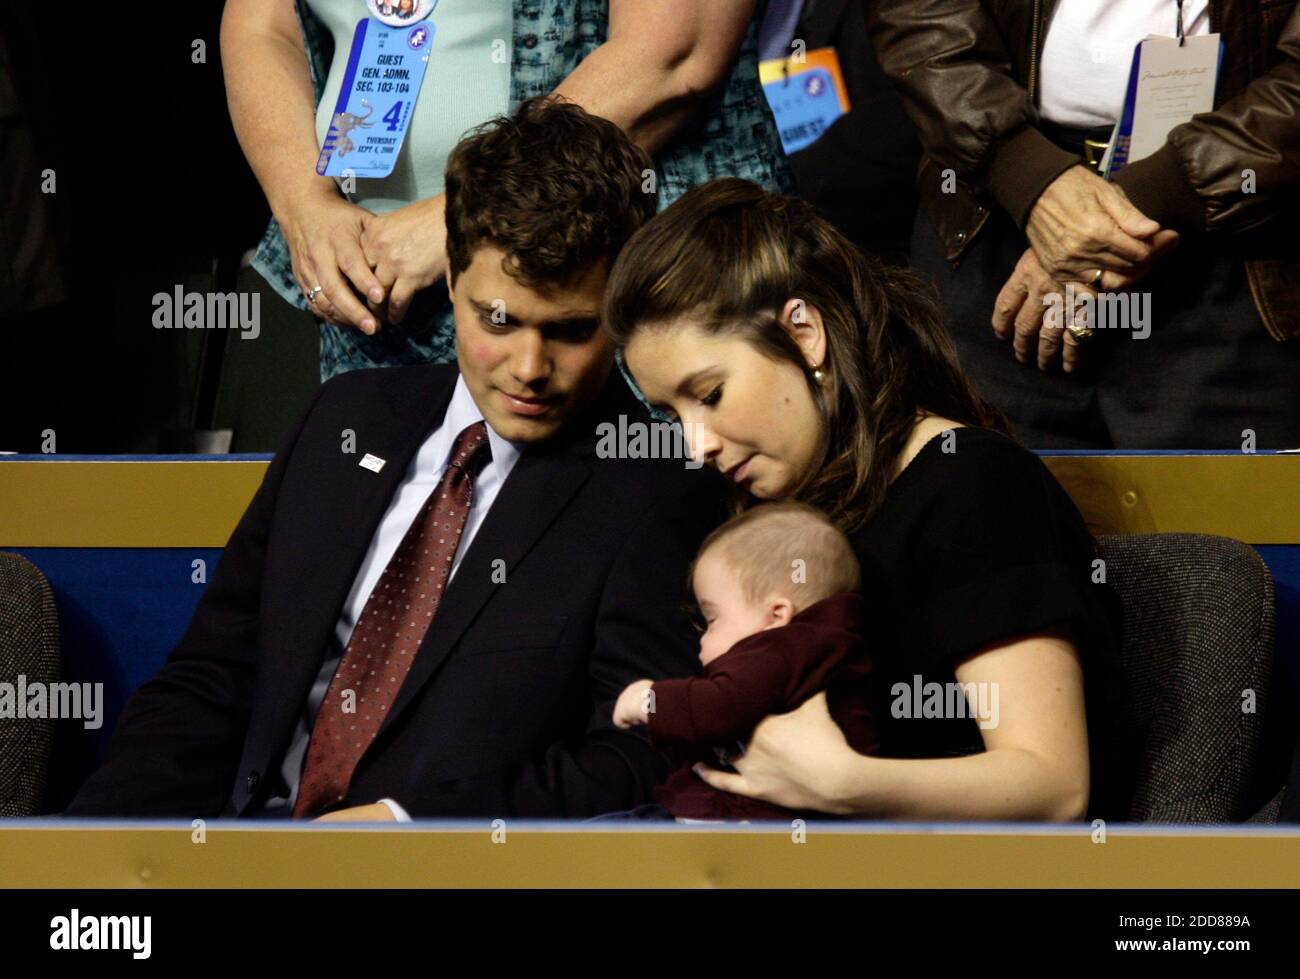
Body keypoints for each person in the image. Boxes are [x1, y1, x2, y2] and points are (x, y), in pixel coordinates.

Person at [65, 99, 727, 822]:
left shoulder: (655, 489)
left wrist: (410, 821)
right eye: (498, 320)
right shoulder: (344, 418)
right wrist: (92, 848)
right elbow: (212, 678)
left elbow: (638, 758)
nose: (531, 367)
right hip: (243, 850)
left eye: (571, 330)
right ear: (451, 279)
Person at [604, 178, 1134, 822]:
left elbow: (1054, 788)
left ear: (803, 334)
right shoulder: (776, 511)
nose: (697, 445)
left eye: (709, 394)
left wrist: (842, 781)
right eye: (670, 413)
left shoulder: (974, 485)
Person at [222, 0, 792, 382]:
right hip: (370, 298)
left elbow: (676, 53)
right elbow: (263, 27)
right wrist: (305, 206)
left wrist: (466, 217)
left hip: (609, 274)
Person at [866, 0, 1300, 449]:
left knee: (1227, 508)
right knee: (987, 500)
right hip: (988, 213)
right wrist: (1024, 174)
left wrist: (1126, 208)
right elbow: (916, 16)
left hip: (1239, 230)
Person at [612, 501, 876, 822]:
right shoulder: (816, 651)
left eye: (712, 619)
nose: (702, 640)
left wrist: (650, 699)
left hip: (740, 820)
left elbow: (718, 708)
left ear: (776, 615)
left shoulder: (782, 648)